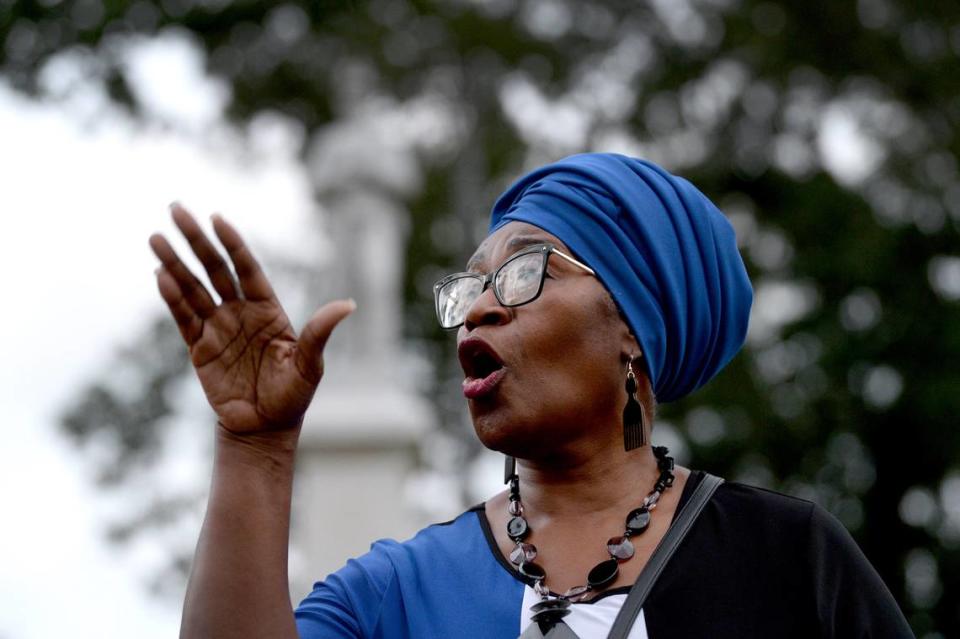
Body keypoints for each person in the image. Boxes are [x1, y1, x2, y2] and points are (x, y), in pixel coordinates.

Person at [151, 153, 914, 638]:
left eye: (523, 273)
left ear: (633, 327)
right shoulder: (398, 591)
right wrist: (254, 447)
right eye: (471, 286)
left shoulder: (787, 559)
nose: (479, 307)